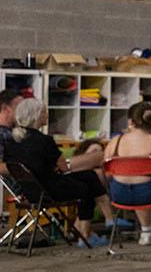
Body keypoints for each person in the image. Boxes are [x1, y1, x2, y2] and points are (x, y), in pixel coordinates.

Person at [5, 98, 114, 246]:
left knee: (90, 176)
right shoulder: (45, 140)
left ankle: (94, 228)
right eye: (44, 112)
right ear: (37, 116)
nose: (47, 115)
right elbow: (64, 168)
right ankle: (87, 233)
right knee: (87, 186)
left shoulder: (11, 141)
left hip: (29, 192)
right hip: (50, 191)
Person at [103, 102, 151, 246]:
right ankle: (147, 232)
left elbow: (107, 174)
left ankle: (145, 230)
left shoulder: (114, 142)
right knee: (148, 183)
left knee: (133, 183)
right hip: (149, 194)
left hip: (118, 194)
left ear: (130, 122)